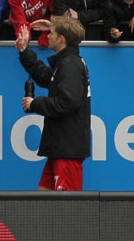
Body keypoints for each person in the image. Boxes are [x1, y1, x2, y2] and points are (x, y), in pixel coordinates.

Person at [15, 15, 91, 191]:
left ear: (61, 38)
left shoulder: (70, 65)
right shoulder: (66, 62)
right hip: (60, 148)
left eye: (52, 33)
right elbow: (45, 76)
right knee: (47, 203)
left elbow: (67, 102)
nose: (47, 36)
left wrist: (36, 104)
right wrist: (24, 52)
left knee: (68, 210)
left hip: (67, 149)